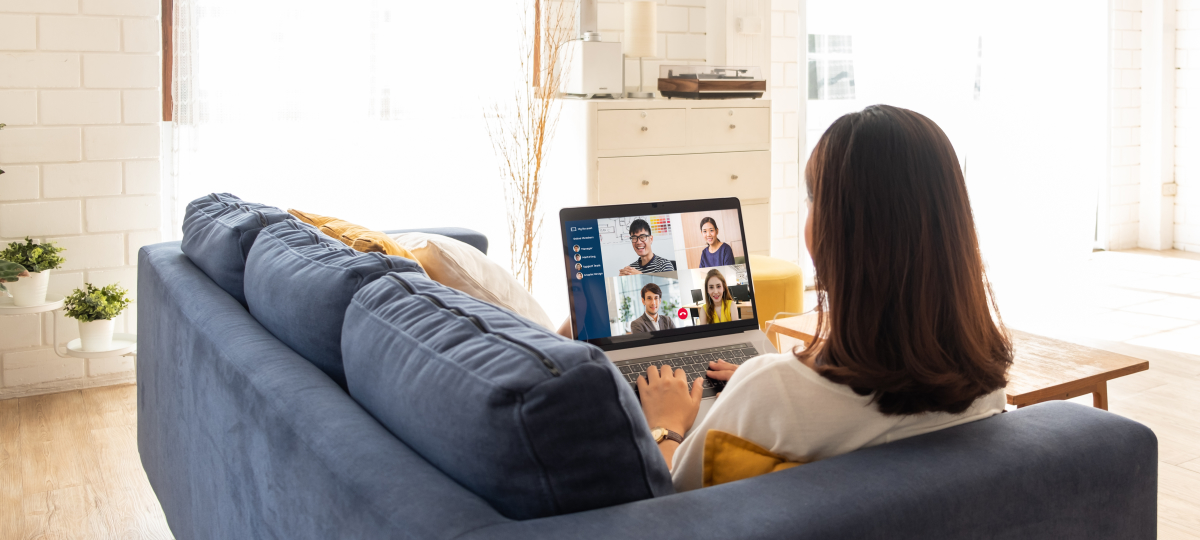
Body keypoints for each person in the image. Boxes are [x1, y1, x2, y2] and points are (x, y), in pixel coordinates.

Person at [635, 105, 1014, 491]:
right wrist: (764, 383)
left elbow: (672, 502)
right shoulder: (987, 388)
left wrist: (665, 426)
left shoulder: (771, 393)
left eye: (812, 200)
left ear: (835, 232)